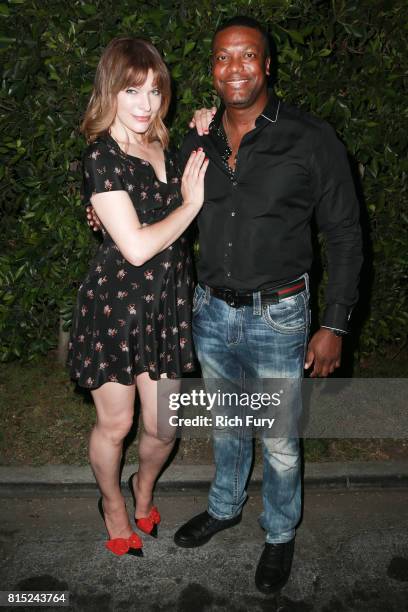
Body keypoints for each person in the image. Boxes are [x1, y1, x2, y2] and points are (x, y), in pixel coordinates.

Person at [172, 15, 363, 594]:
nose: (235, 68)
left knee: (279, 437)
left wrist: (333, 324)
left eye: (247, 56)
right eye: (223, 58)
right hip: (211, 311)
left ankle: (279, 533)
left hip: (279, 314)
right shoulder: (199, 139)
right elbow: (159, 201)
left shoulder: (311, 137)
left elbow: (347, 234)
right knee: (229, 425)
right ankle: (225, 507)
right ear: (213, 68)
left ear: (267, 65)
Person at [67, 37, 208, 557]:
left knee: (163, 427)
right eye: (132, 90)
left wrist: (203, 124)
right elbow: (136, 247)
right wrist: (190, 205)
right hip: (116, 307)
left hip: (167, 307)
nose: (145, 104)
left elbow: (211, 148)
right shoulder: (101, 155)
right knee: (117, 423)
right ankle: (112, 504)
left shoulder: (163, 145)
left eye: (154, 90)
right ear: (110, 91)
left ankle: (143, 486)